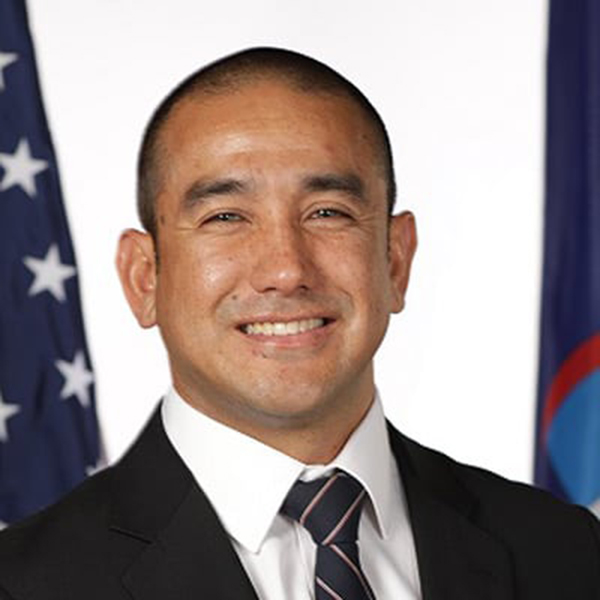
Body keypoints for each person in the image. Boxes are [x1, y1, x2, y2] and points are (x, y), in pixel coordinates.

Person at [0, 47, 598, 600]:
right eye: (226, 216)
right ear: (144, 278)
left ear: (395, 259)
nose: (286, 270)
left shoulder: (567, 555)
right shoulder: (24, 582)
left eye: (328, 212)